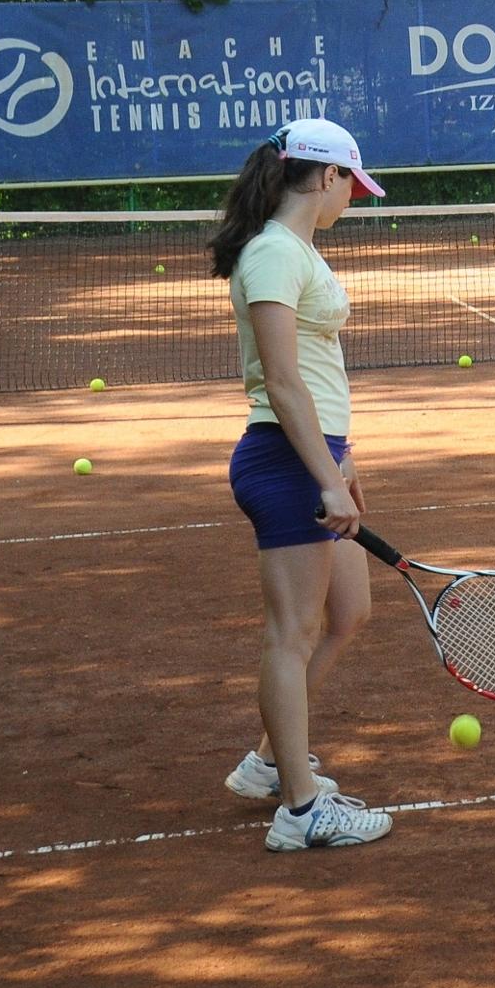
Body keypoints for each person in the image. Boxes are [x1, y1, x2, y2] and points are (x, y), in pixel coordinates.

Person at [208, 118, 396, 849]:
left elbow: (316, 372)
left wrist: (344, 461)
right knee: (292, 633)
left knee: (349, 612)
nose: (354, 195)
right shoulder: (272, 254)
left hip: (314, 457)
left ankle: (265, 761)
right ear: (326, 177)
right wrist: (324, 475)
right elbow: (282, 383)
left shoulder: (294, 251)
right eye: (353, 181)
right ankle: (300, 807)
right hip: (284, 461)